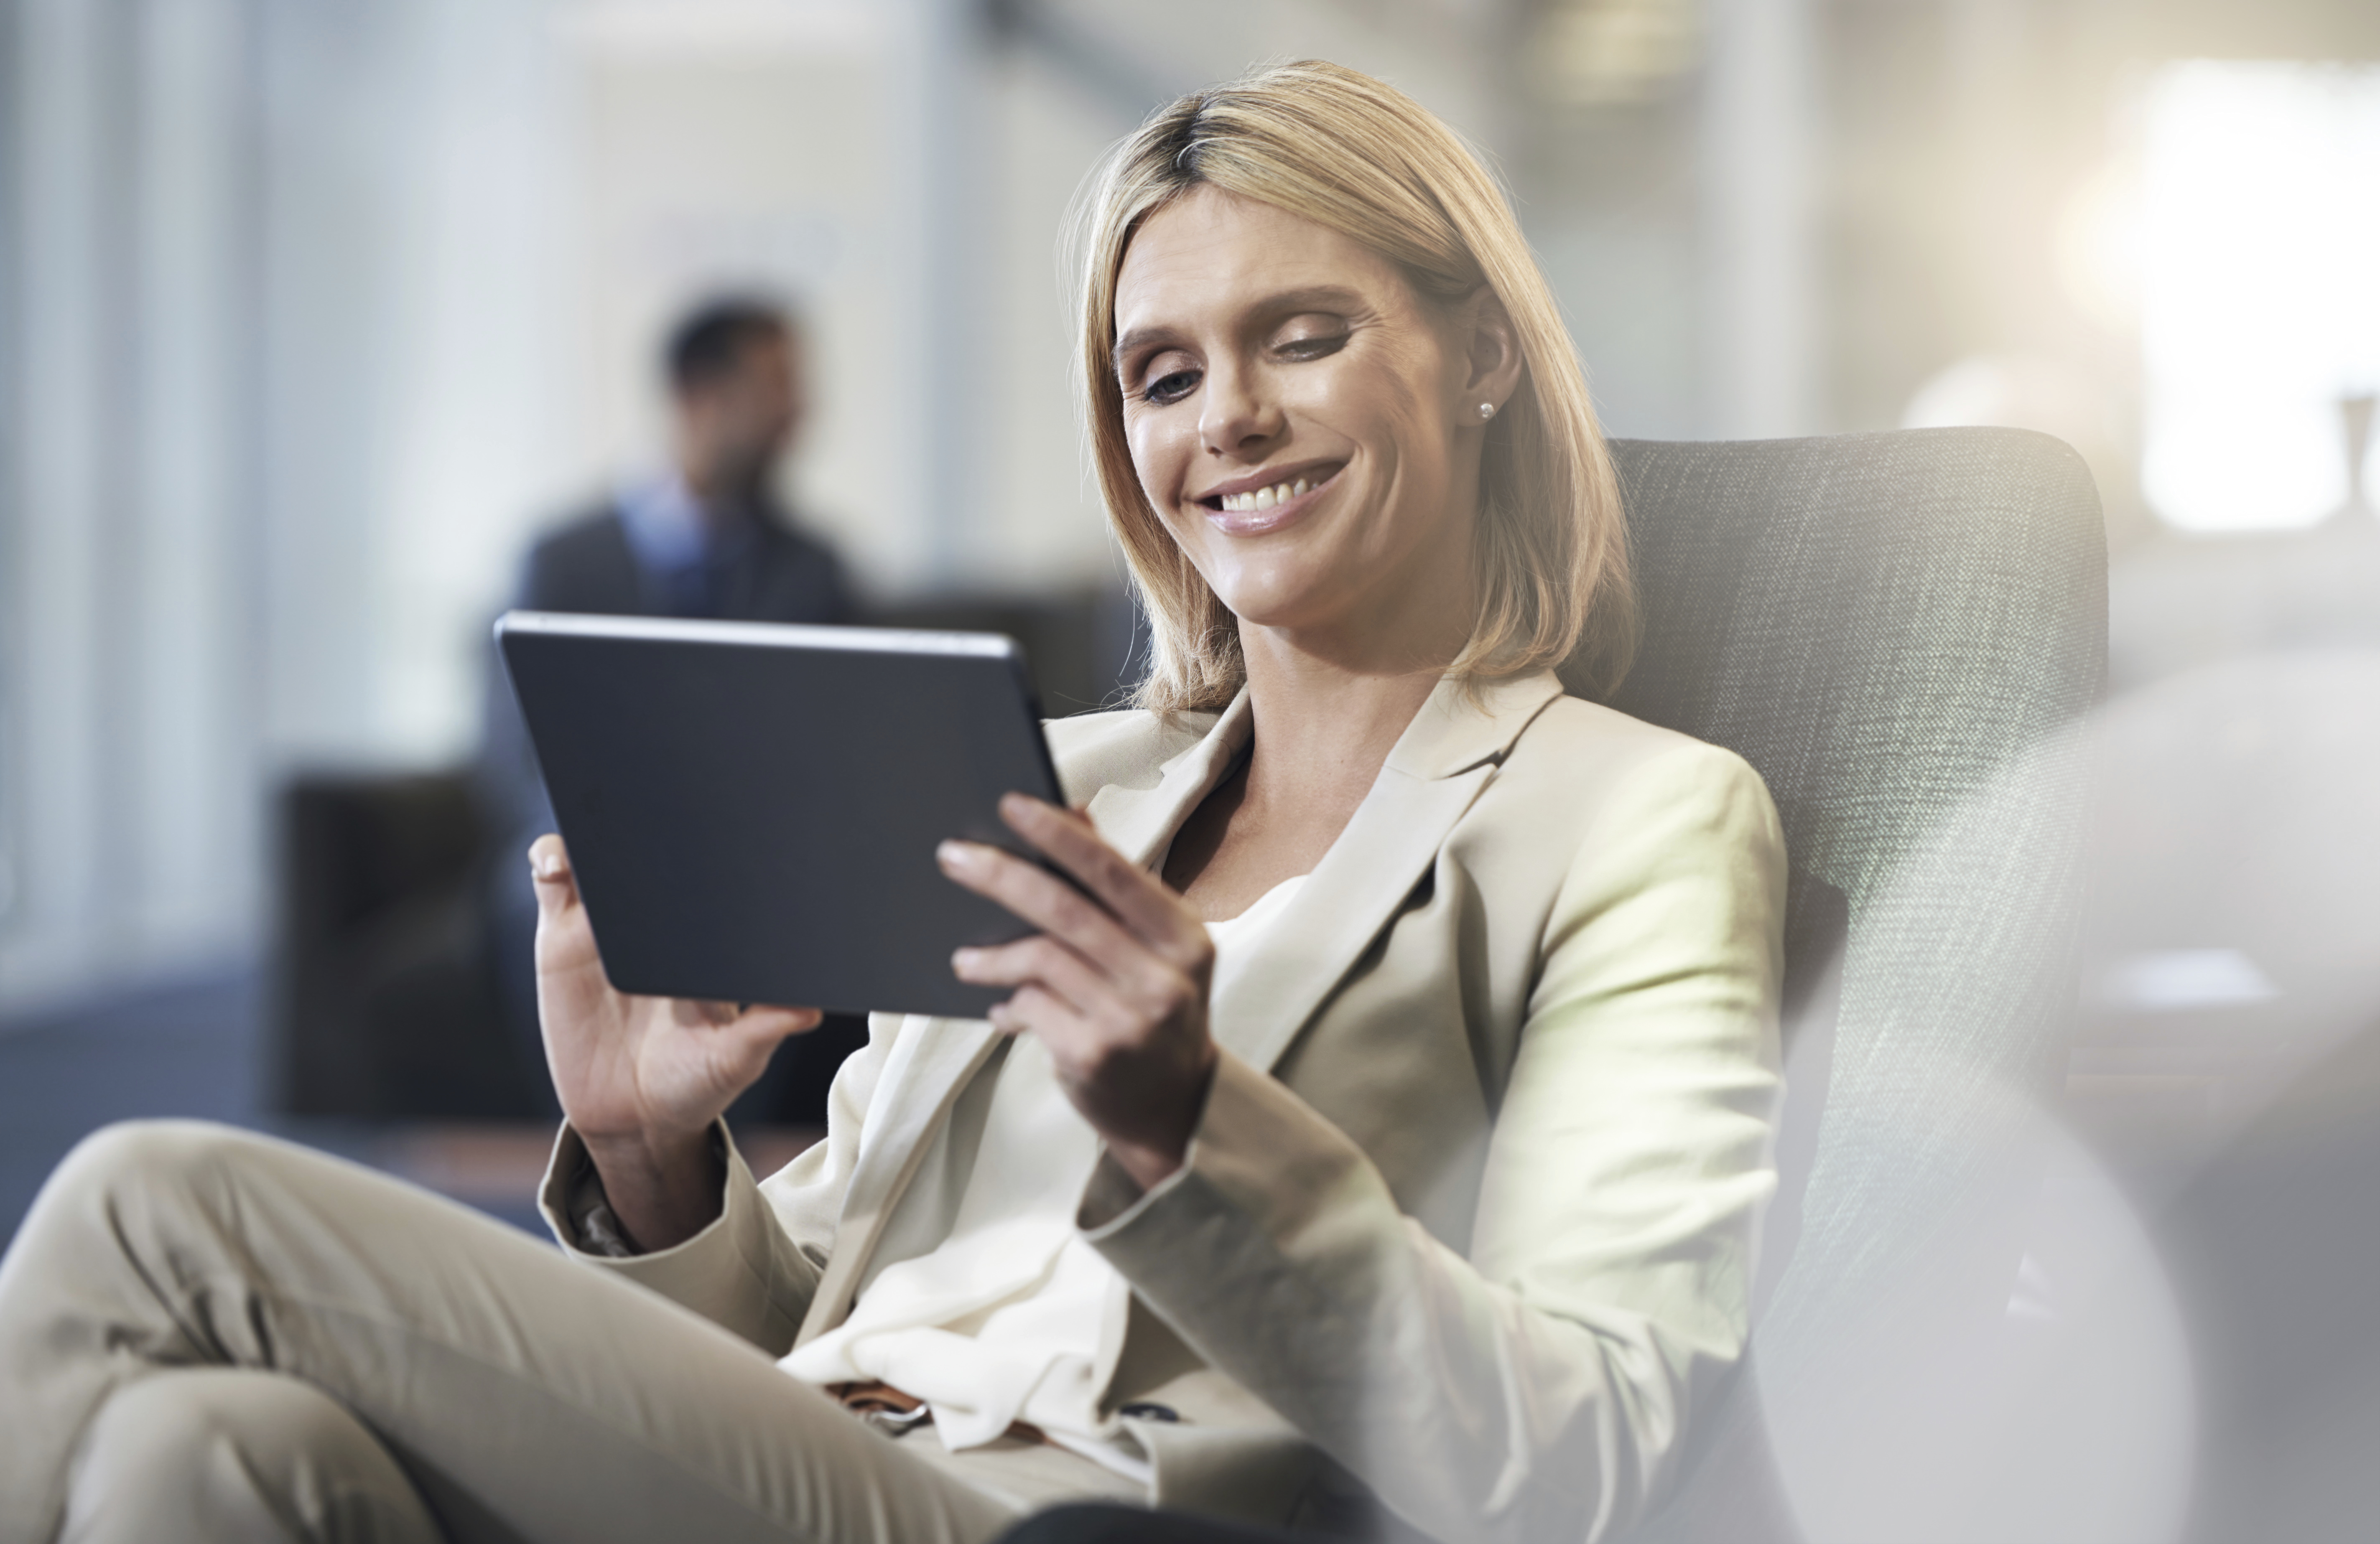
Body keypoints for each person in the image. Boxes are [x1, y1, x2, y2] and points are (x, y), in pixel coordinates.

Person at [0, 60, 1783, 1544]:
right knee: (204, 1465)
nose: (1225, 417)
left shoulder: (1635, 822)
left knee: (154, 1198)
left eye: (1300, 336)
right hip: (818, 1455)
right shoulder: (1062, 791)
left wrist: (1192, 1129)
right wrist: (648, 1155)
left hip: (1072, 1514)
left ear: (1480, 357)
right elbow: (805, 1312)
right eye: (1163, 374)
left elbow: (1592, 1460)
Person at [477, 296, 856, 1107]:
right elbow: (517, 752)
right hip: (597, 840)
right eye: (777, 387)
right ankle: (593, 1121)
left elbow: (829, 749)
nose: (800, 413)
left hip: (752, 853)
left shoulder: (812, 568)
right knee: (536, 890)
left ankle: (733, 1157)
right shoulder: (563, 561)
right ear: (700, 396)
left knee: (782, 903)